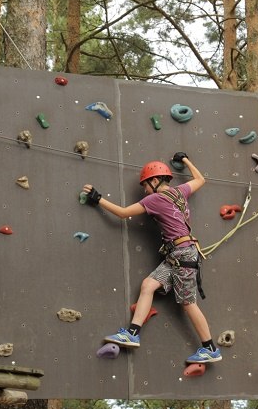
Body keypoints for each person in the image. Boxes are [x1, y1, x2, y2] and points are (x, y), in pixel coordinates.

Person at [82, 153, 221, 364]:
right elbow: (201, 179)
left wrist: (98, 198)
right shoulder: (180, 191)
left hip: (182, 253)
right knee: (148, 285)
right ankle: (132, 333)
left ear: (155, 181)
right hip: (178, 254)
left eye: (145, 186)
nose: (144, 191)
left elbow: (123, 213)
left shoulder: (154, 199)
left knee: (187, 303)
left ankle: (210, 348)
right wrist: (185, 161)